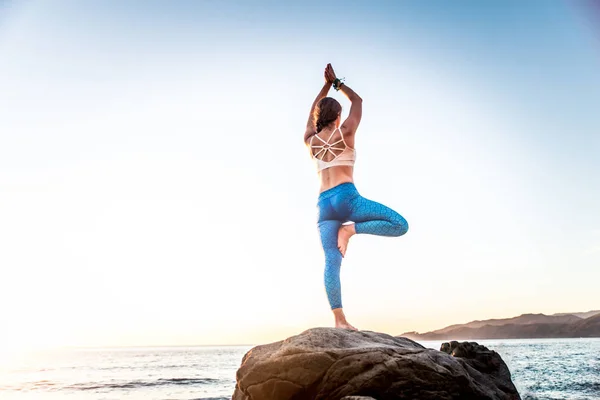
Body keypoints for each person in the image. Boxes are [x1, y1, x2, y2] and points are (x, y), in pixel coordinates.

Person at [304, 63, 409, 330]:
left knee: (331, 260)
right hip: (347, 198)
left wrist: (325, 87)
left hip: (324, 205)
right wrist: (337, 83)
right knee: (399, 224)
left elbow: (312, 111)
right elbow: (358, 100)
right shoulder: (346, 132)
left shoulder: (310, 141)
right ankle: (352, 230)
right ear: (338, 116)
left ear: (318, 116)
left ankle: (339, 320)